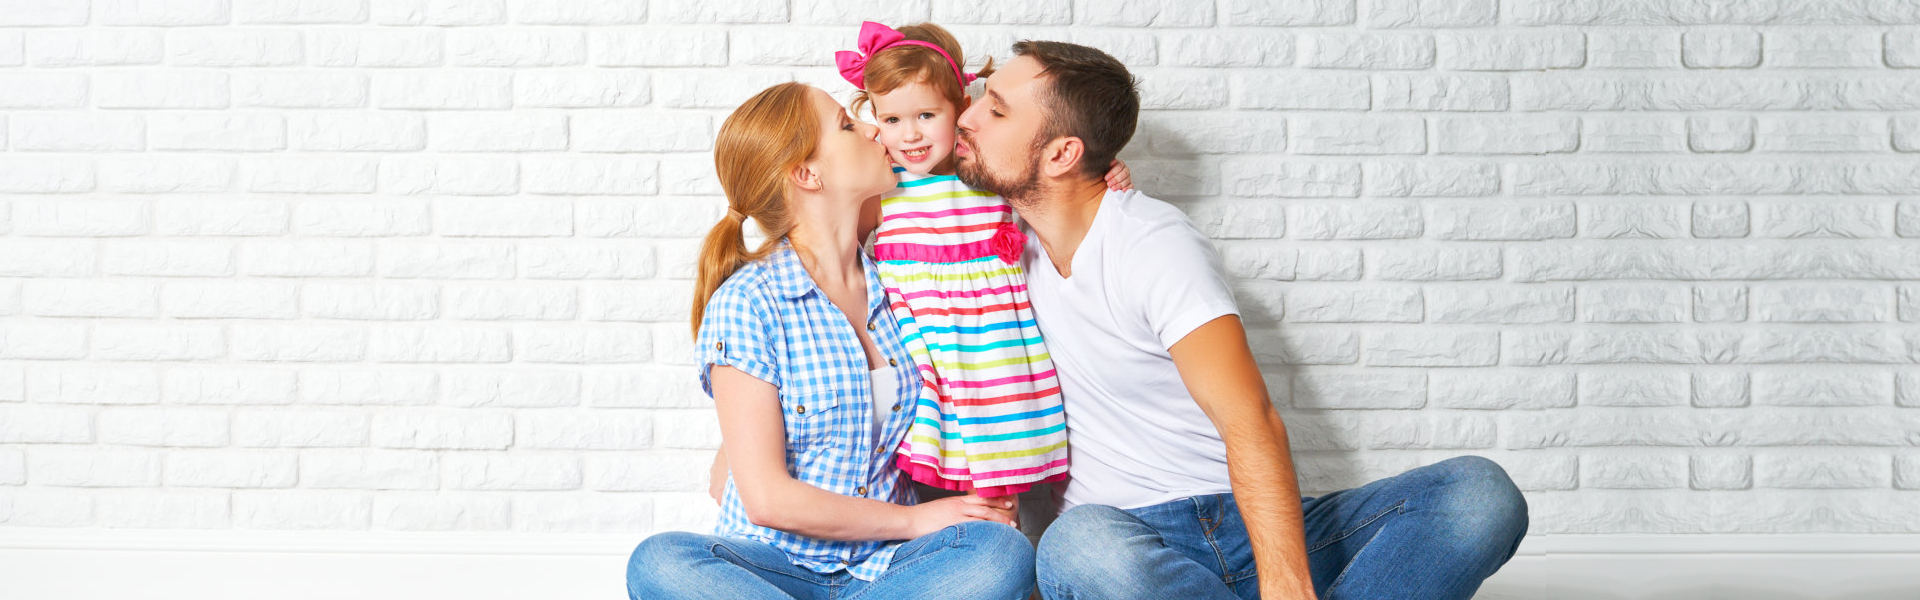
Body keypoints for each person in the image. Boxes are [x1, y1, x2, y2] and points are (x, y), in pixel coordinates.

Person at [950, 40, 1531, 600]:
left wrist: (1285, 584)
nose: (967, 117)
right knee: (1076, 546)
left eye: (995, 109)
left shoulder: (1152, 244)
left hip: (1242, 524)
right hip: (1128, 547)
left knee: (1480, 494)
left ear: (1061, 154)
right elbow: (881, 171)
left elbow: (1249, 419)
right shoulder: (981, 247)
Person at [625, 81, 1033, 600]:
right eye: (847, 124)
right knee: (661, 561)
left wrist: (1102, 183)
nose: (872, 129)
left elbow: (965, 154)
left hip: (889, 568)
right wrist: (916, 521)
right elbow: (767, 499)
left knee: (1002, 552)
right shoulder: (750, 302)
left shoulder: (906, 282)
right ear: (806, 174)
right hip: (772, 565)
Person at [838, 20, 1127, 499]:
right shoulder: (884, 188)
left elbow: (1056, 193)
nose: (909, 135)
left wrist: (1101, 171)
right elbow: (840, 255)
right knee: (921, 471)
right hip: (923, 351)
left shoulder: (988, 176)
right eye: (891, 121)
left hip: (995, 351)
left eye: (926, 115)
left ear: (961, 108)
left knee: (999, 480)